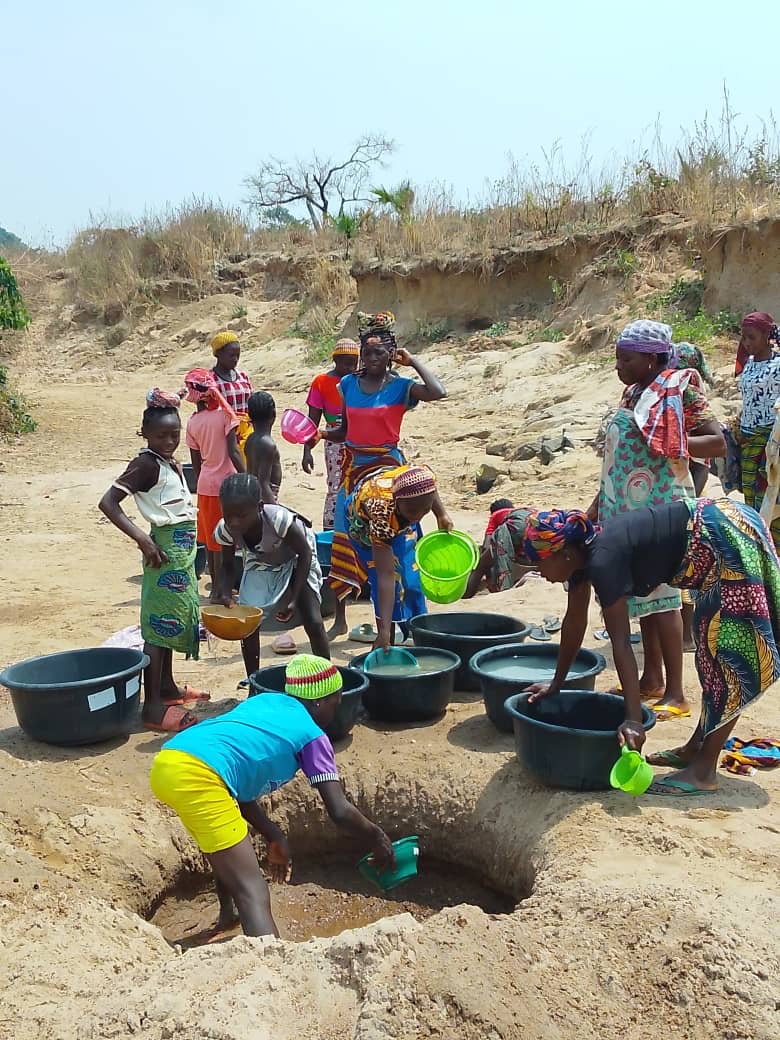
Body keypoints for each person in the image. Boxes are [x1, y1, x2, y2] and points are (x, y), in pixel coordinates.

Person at [522, 502, 780, 795]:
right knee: (709, 653)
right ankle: (696, 748)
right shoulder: (581, 560)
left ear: (565, 554)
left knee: (727, 658)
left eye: (539, 562)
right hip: (715, 533)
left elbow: (622, 643)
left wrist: (633, 720)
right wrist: (556, 683)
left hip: (725, 535)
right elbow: (574, 623)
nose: (539, 571)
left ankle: (704, 771)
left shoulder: (603, 561)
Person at [150, 654, 395, 939]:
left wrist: (274, 835)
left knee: (224, 844)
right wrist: (377, 839)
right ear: (319, 701)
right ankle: (272, 961)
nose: (336, 710)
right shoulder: (312, 736)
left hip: (171, 760)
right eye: (335, 702)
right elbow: (339, 810)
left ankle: (228, 914)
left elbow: (239, 792)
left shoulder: (264, 703)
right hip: (200, 775)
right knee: (253, 889)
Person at [588, 320, 725, 721]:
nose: (618, 366)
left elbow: (717, 442)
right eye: (617, 358)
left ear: (651, 359)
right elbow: (618, 460)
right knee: (643, 595)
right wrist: (595, 507)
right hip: (627, 509)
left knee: (664, 598)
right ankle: (651, 679)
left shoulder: (680, 389)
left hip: (663, 509)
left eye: (626, 359)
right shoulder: (634, 392)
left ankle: (677, 694)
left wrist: (676, 443)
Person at [321, 311, 450, 640]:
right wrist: (320, 434)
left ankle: (413, 627)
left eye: (380, 352)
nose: (372, 358)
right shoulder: (348, 385)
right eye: (367, 352)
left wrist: (413, 361)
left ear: (391, 354)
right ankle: (363, 625)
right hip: (354, 473)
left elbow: (438, 391)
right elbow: (345, 430)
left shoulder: (401, 387)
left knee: (401, 553)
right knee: (352, 549)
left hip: (390, 472)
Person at [99, 390, 206, 733]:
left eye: (175, 434)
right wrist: (143, 540)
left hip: (180, 553)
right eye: (162, 435)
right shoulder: (145, 464)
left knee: (171, 621)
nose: (170, 441)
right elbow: (108, 503)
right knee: (159, 628)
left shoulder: (166, 461)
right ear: (145, 433)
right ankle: (153, 707)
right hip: (163, 553)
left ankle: (168, 688)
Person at [214, 474, 328, 672]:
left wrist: (294, 598)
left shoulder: (278, 520)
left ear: (259, 507)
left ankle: (327, 674)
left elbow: (304, 553)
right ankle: (253, 679)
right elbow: (228, 565)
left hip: (298, 556)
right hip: (262, 558)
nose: (234, 522)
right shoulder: (225, 530)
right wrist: (224, 592)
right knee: (248, 622)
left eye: (241, 516)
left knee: (313, 620)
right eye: (228, 515)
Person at [345, 463, 450, 652]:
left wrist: (441, 514)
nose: (418, 518)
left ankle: (417, 631)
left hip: (398, 514)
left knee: (412, 577)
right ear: (398, 502)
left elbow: (429, 492)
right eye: (413, 513)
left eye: (424, 511)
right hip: (364, 523)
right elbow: (385, 575)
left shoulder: (422, 479)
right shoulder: (381, 513)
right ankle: (387, 639)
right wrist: (384, 631)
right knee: (390, 581)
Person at [184, 369, 244, 603]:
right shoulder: (225, 417)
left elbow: (196, 464)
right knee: (226, 540)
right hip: (227, 485)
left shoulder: (193, 423)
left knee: (211, 540)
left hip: (205, 485)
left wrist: (204, 480)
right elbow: (234, 452)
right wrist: (249, 479)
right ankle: (224, 590)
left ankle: (216, 589)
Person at [302, 338, 361, 529]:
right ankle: (331, 529)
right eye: (346, 363)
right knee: (336, 485)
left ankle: (355, 527)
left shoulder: (360, 380)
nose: (350, 368)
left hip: (360, 438)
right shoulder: (321, 382)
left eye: (354, 364)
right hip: (334, 441)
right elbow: (312, 421)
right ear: (335, 360)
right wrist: (307, 450)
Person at [735, 312, 780, 550]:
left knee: (771, 496)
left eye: (751, 337)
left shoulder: (778, 365)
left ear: (766, 335)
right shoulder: (749, 363)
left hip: (770, 442)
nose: (746, 343)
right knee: (750, 495)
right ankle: (758, 544)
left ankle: (774, 547)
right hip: (748, 440)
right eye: (743, 337)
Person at [464, 506, 535, 598]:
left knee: (481, 565)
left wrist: (484, 564)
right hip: (535, 529)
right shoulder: (523, 510)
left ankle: (466, 595)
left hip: (516, 527)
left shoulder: (495, 515)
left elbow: (486, 546)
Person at [210, 331, 254, 458]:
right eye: (231, 355)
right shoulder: (211, 380)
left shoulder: (243, 376)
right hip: (223, 434)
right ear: (218, 354)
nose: (235, 359)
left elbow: (251, 404)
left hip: (246, 433)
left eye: (237, 355)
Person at [244, 391, 282, 504]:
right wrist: (274, 510)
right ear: (274, 413)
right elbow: (263, 484)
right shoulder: (268, 445)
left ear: (249, 415)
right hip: (264, 500)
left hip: (251, 496)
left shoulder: (250, 439)